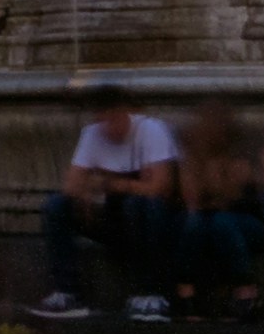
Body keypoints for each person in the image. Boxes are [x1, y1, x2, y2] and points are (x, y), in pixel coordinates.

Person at [37, 86, 182, 319]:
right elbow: (72, 185)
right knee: (56, 206)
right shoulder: (91, 134)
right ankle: (66, 290)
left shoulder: (151, 130)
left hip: (150, 222)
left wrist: (111, 183)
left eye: (113, 118)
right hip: (108, 217)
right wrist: (87, 195)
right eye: (102, 119)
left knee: (140, 205)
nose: (107, 127)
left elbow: (160, 188)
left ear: (124, 113)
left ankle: (151, 291)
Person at [169, 99, 264, 317]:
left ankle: (246, 292)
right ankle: (186, 293)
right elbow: (192, 201)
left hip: (252, 223)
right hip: (205, 222)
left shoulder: (247, 153)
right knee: (193, 223)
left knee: (221, 223)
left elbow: (233, 198)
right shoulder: (193, 156)